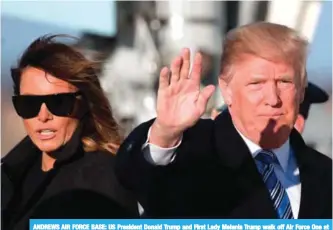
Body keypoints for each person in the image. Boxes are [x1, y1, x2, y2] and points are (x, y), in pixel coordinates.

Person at [115, 22, 332, 218]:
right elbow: (137, 177)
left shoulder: (325, 174)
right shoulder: (193, 151)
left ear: (302, 90)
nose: (273, 99)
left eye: (284, 82)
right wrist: (165, 133)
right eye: (256, 84)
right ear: (227, 90)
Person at [2, 35, 139, 230]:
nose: (43, 116)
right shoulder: (11, 174)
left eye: (58, 102)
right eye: (28, 104)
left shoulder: (105, 177)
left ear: (83, 104)